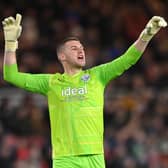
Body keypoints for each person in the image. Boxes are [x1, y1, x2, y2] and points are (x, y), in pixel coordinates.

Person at [2, 14, 167, 168]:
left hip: (94, 157)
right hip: (64, 159)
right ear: (62, 56)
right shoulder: (51, 82)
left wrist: (146, 35)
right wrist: (10, 44)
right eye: (74, 48)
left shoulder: (98, 76)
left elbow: (128, 59)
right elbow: (11, 75)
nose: (81, 50)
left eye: (81, 47)